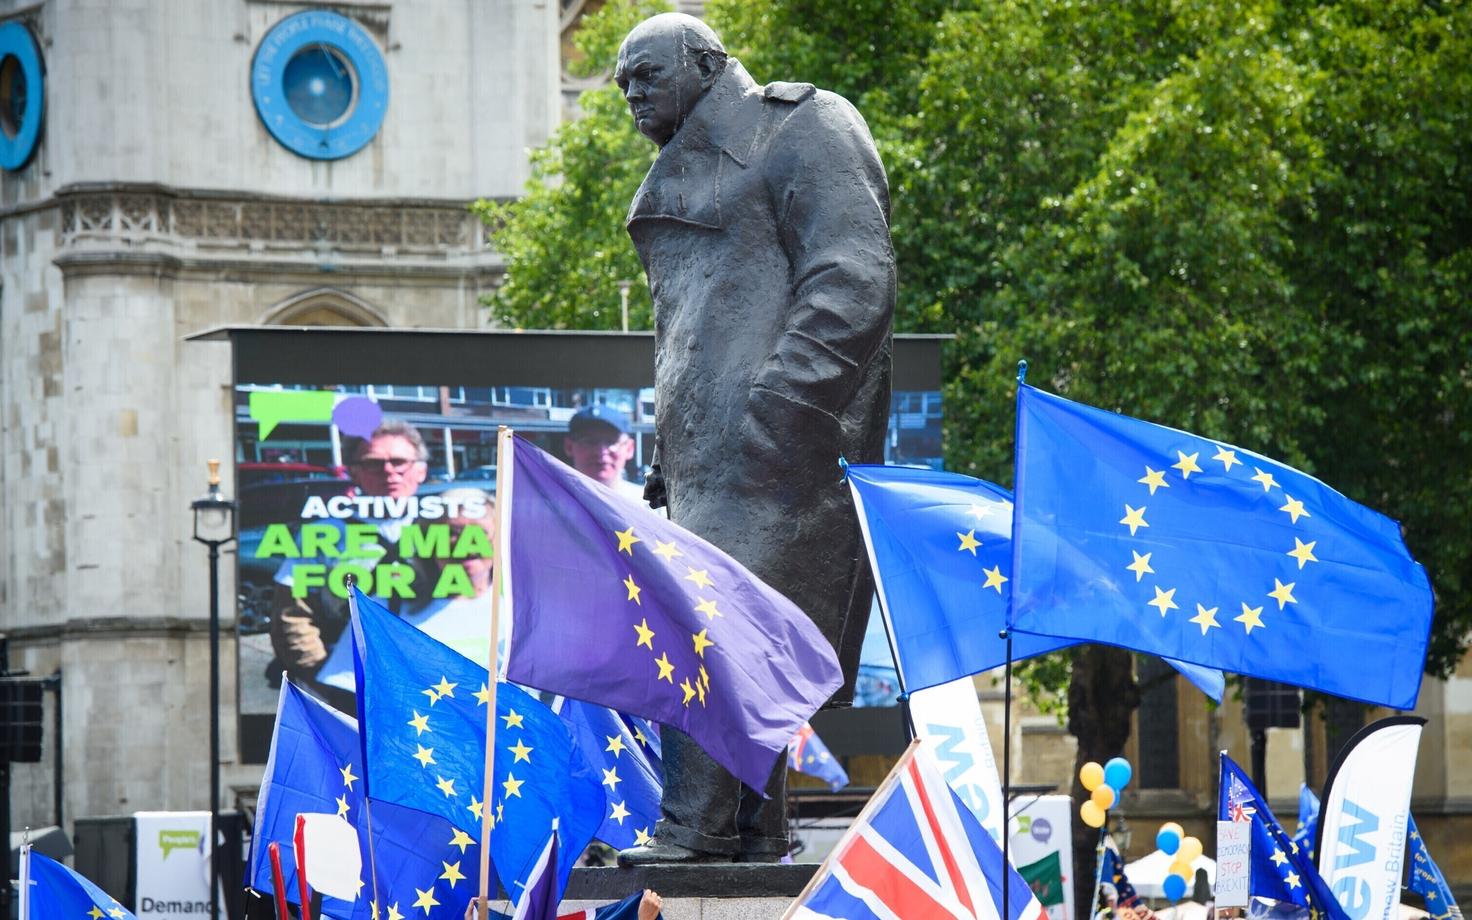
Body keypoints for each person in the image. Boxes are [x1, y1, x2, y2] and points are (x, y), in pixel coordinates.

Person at [614, 13, 894, 864]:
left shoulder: (802, 125)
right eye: (622, 81)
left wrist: (782, 408)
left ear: (706, 63)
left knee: (703, 629)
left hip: (779, 452)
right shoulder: (684, 166)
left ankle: (690, 828)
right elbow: (690, 337)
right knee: (745, 643)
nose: (630, 93)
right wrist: (673, 455)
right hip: (708, 461)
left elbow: (853, 275)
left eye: (646, 73)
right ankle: (747, 826)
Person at [269, 419, 433, 692]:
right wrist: (324, 677)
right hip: (346, 682)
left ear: (421, 471)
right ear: (353, 473)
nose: (389, 472)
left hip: (424, 685)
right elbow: (292, 616)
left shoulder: (445, 530)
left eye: (399, 461)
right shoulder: (325, 532)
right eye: (373, 463)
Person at [563, 404, 645, 503]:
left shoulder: (649, 506)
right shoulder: (551, 505)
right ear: (569, 447)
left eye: (611, 442)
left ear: (629, 449)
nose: (601, 452)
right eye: (590, 442)